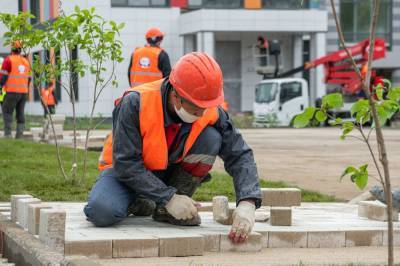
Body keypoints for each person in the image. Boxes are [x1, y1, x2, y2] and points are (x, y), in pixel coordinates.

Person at [85, 52, 262, 243]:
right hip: (125, 173)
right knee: (101, 211)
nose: (202, 112)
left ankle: (164, 210)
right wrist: (168, 197)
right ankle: (142, 202)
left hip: (168, 173)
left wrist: (247, 202)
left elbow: (239, 153)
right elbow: (126, 163)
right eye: (196, 107)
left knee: (211, 138)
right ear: (176, 94)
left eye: (206, 106)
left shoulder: (208, 107)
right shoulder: (135, 103)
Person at [0, 40, 31, 138]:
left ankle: (8, 134)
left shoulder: (8, 60)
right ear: (20, 49)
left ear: (11, 48)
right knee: (20, 113)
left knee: (7, 111)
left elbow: (3, 77)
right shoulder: (26, 62)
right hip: (24, 92)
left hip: (12, 92)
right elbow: (29, 78)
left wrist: (1, 85)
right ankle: (19, 135)